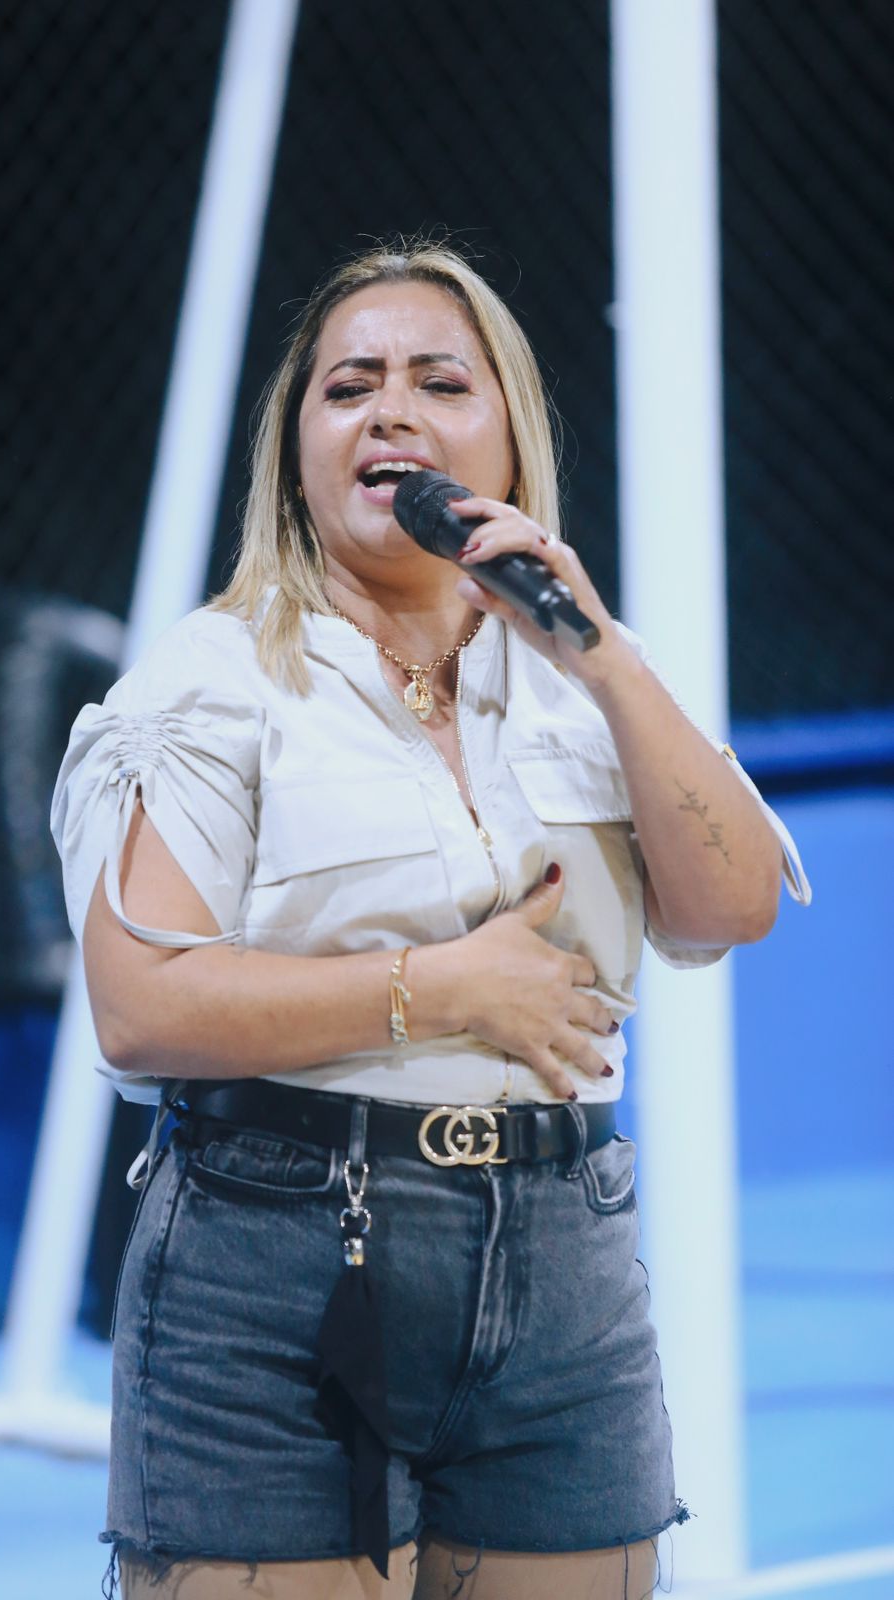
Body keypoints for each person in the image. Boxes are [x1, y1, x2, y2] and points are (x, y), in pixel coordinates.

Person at [52, 242, 809, 1600]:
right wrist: (445, 989)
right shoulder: (213, 679)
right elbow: (141, 1007)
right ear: (297, 455)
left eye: (438, 383)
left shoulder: (586, 674)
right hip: (275, 1267)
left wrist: (601, 654)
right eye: (348, 388)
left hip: (564, 1266)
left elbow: (733, 901)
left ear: (508, 443)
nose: (389, 412)